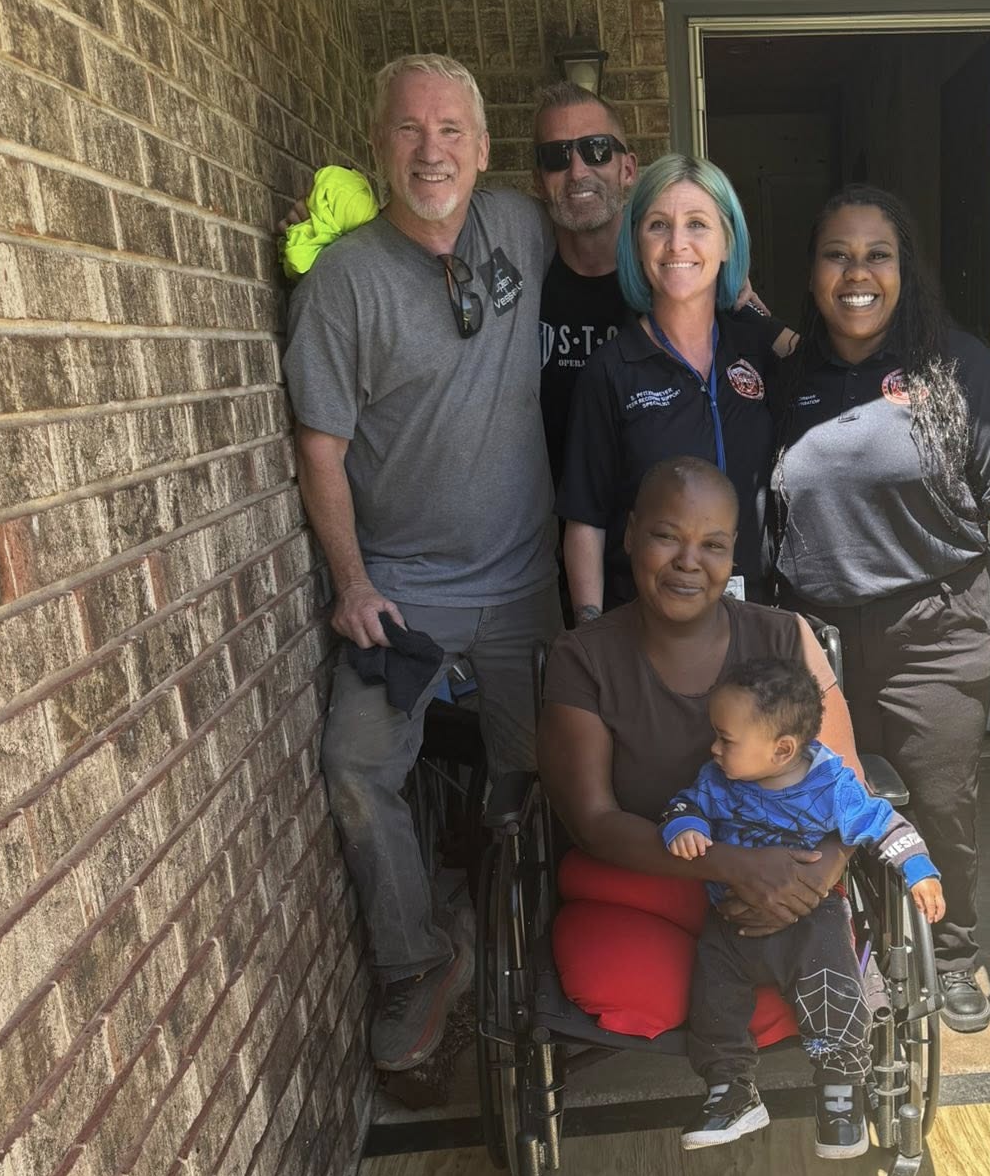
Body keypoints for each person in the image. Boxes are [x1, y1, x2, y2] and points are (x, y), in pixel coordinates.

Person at [284, 53, 562, 1070]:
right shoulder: (344, 282)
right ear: (378, 148)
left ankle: (539, 959)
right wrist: (353, 583)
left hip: (527, 577)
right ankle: (418, 958)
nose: (430, 149)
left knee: (545, 776)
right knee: (356, 768)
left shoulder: (520, 229)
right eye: (409, 130)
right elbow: (322, 448)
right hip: (404, 591)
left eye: (451, 130)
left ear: (484, 151)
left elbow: (627, 246)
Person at [768, 185, 990, 1034]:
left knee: (939, 804)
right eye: (838, 254)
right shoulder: (786, 374)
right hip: (815, 640)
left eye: (878, 254)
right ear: (812, 271)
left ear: (904, 269)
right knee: (825, 801)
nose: (858, 272)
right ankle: (844, 955)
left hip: (931, 630)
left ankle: (952, 953)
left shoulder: (954, 364)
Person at [539, 460, 864, 1031]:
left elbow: (849, 785)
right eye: (667, 536)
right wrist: (736, 866)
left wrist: (814, 880)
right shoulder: (583, 657)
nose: (689, 562)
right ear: (632, 533)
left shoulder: (784, 635)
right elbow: (592, 819)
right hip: (642, 884)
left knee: (810, 984)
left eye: (712, 544)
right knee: (633, 991)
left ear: (734, 552)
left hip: (781, 880)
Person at [661, 655, 943, 1158]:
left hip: (812, 917)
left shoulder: (833, 785)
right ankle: (731, 1088)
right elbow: (684, 804)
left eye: (726, 739)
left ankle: (840, 1089)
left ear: (782, 749)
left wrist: (919, 870)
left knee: (832, 979)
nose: (714, 748)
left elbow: (884, 822)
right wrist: (686, 827)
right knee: (712, 986)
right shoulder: (716, 780)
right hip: (734, 918)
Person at [557, 157, 785, 622]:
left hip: (752, 619)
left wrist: (756, 308)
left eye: (699, 224)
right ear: (637, 244)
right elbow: (586, 518)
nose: (677, 243)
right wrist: (590, 629)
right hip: (647, 627)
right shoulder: (612, 370)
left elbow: (831, 359)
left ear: (728, 242)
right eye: (659, 225)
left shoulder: (758, 348)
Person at [532, 81, 638, 484]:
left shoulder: (666, 283)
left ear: (626, 168)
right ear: (539, 180)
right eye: (556, 156)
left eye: (595, 149)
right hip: (539, 534)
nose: (577, 171)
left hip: (646, 534)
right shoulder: (518, 285)